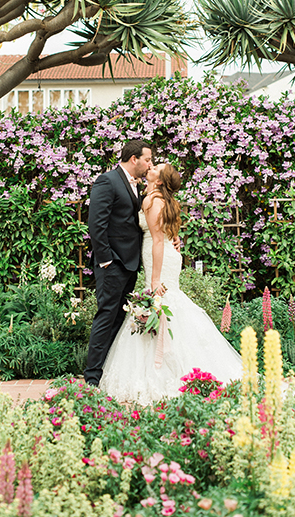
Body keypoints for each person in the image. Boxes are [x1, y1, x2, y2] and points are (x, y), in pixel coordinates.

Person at [99, 162, 243, 404]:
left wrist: (155, 279)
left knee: (162, 301)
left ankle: (166, 371)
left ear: (160, 181)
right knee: (167, 304)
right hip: (164, 254)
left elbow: (157, 240)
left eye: (156, 168)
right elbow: (169, 231)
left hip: (160, 258)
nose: (151, 167)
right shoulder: (159, 198)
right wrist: (175, 240)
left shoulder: (153, 201)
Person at [84, 139, 153, 386]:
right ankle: (92, 377)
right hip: (113, 264)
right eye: (147, 159)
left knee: (118, 321)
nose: (149, 165)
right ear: (134, 159)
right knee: (106, 317)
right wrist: (105, 261)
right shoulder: (108, 181)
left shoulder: (136, 184)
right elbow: (96, 224)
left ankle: (107, 374)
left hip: (130, 265)